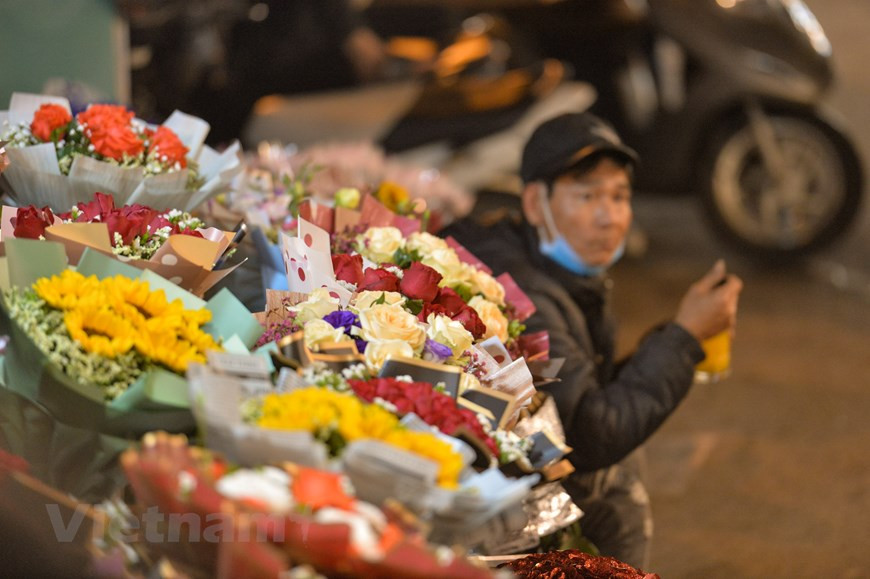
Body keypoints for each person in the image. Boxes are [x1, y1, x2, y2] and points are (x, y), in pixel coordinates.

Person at [442, 112, 743, 568]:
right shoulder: (526, 294)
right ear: (533, 203)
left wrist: (678, 336)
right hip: (480, 495)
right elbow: (589, 434)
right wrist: (684, 338)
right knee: (618, 491)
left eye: (619, 196)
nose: (609, 217)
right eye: (587, 196)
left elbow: (583, 383)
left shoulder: (552, 265)